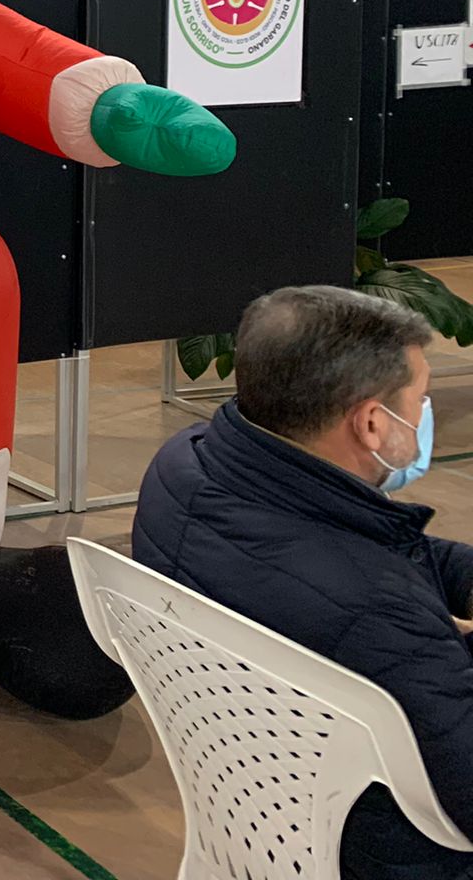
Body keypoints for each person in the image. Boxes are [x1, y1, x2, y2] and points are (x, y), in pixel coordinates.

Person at [134, 285, 473, 880]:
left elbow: (388, 551)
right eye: (420, 401)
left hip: (265, 806)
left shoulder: (188, 466)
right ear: (372, 422)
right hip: (387, 850)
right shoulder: (376, 609)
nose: (425, 417)